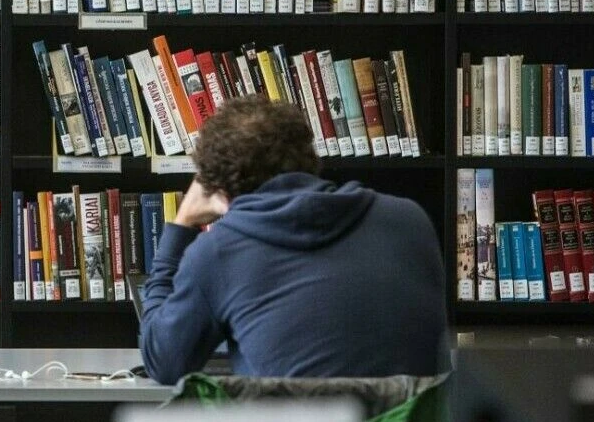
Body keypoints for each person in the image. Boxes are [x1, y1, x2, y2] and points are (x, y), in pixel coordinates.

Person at [138, 96, 447, 385]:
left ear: (217, 190)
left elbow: (164, 362)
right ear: (310, 157)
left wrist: (182, 224)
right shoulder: (410, 221)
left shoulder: (218, 252)